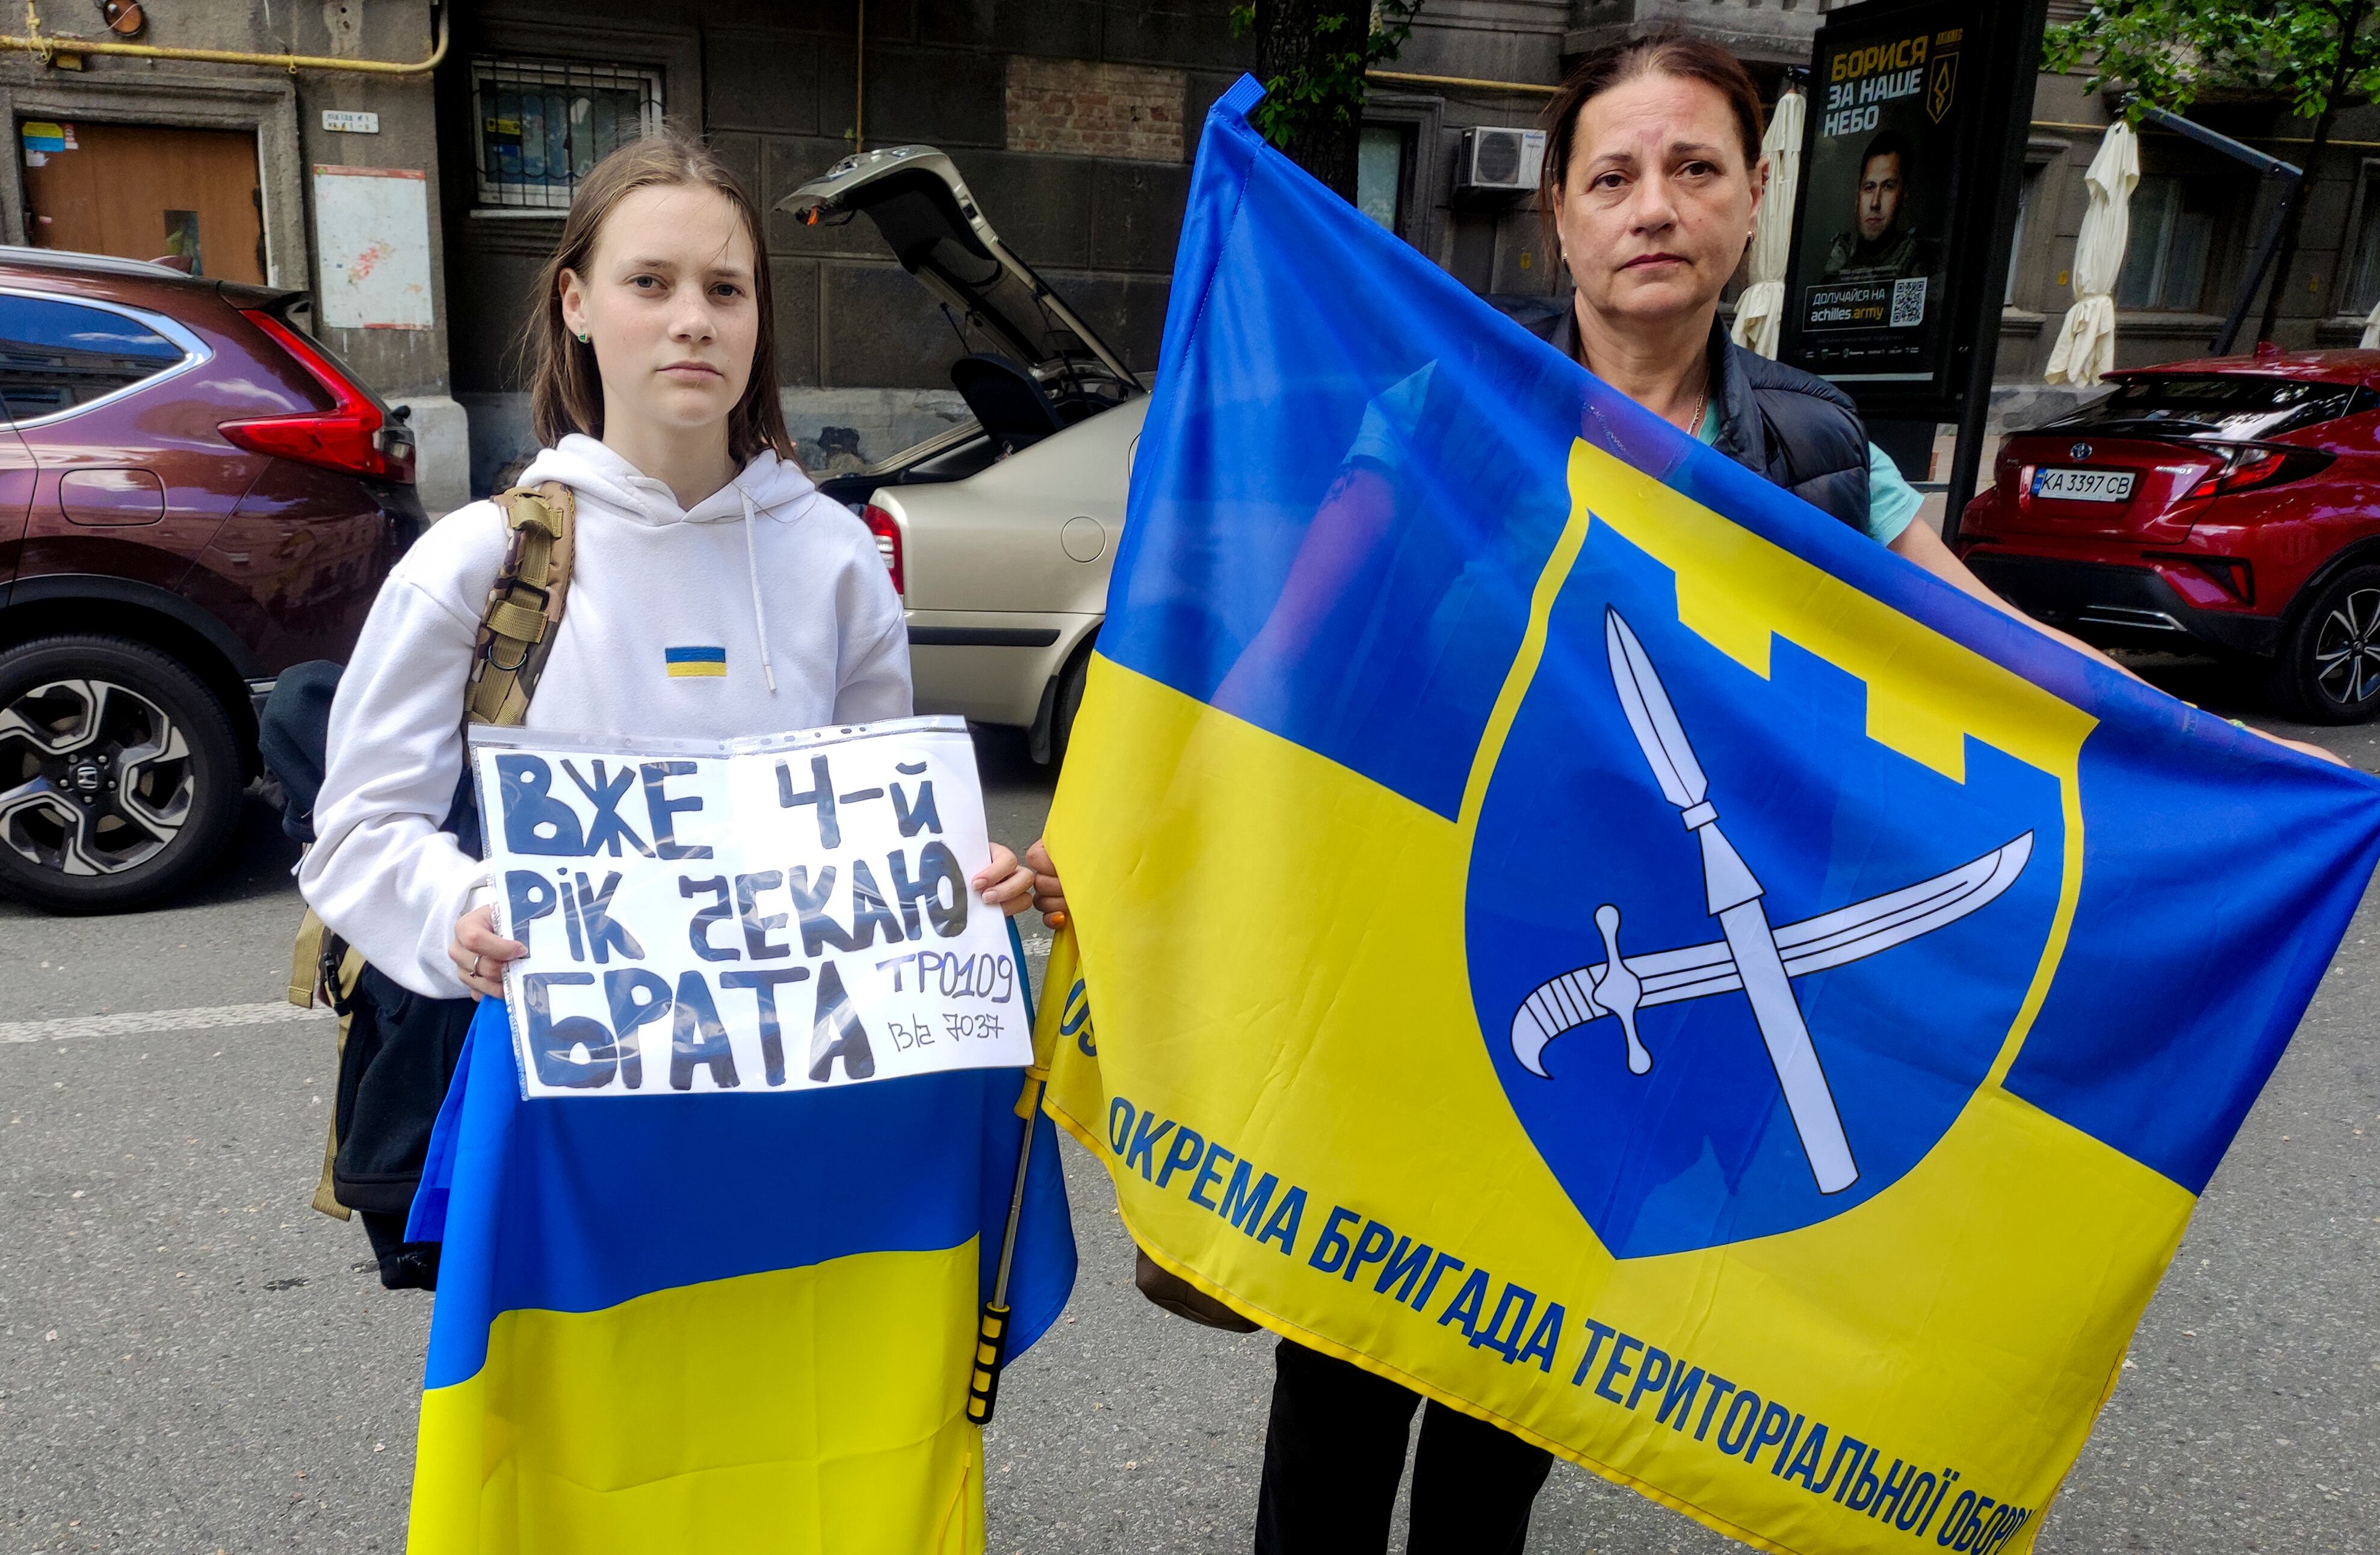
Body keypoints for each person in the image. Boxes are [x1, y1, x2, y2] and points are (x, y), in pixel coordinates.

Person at [1025, 23, 2340, 1554]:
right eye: (1616, 175)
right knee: (1345, 1366)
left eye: (1693, 168)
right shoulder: (1452, 408)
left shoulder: (1820, 452)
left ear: (1751, 196)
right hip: (1426, 935)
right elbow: (1281, 658)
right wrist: (1123, 823)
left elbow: (1995, 648)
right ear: (1562, 215)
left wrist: (2221, 748)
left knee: (1516, 1386)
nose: (1655, 204)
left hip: (1662, 969)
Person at [300, 130, 1039, 1229]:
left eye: (725, 288)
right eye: (650, 281)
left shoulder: (836, 559)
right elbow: (361, 829)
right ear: (577, 303)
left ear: (756, 321)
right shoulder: (477, 559)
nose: (694, 317)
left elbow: (880, 825)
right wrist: (460, 907)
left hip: (788, 1116)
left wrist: (963, 879)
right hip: (558, 1131)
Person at [1822, 129, 1940, 280]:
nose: (1875, 203)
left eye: (1888, 187)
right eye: (1869, 188)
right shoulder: (1835, 263)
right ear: (1858, 196)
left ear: (1904, 194)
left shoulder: (1924, 267)